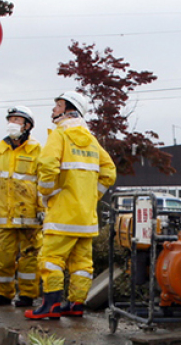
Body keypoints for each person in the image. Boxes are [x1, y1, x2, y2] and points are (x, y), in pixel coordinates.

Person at [25, 91, 116, 321]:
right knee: (82, 263)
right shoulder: (92, 140)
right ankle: (76, 305)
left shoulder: (60, 134)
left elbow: (47, 165)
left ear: (68, 108)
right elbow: (109, 172)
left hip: (62, 215)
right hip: (85, 218)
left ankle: (51, 305)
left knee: (51, 259)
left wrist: (48, 193)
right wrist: (90, 196)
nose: (54, 110)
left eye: (57, 105)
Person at [0, 105, 44, 308]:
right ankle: (4, 294)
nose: (12, 124)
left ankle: (28, 295)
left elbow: (42, 182)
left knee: (30, 258)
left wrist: (42, 210)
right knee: (3, 256)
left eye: (17, 120)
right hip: (6, 216)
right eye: (10, 119)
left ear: (28, 125)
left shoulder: (37, 150)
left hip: (29, 216)